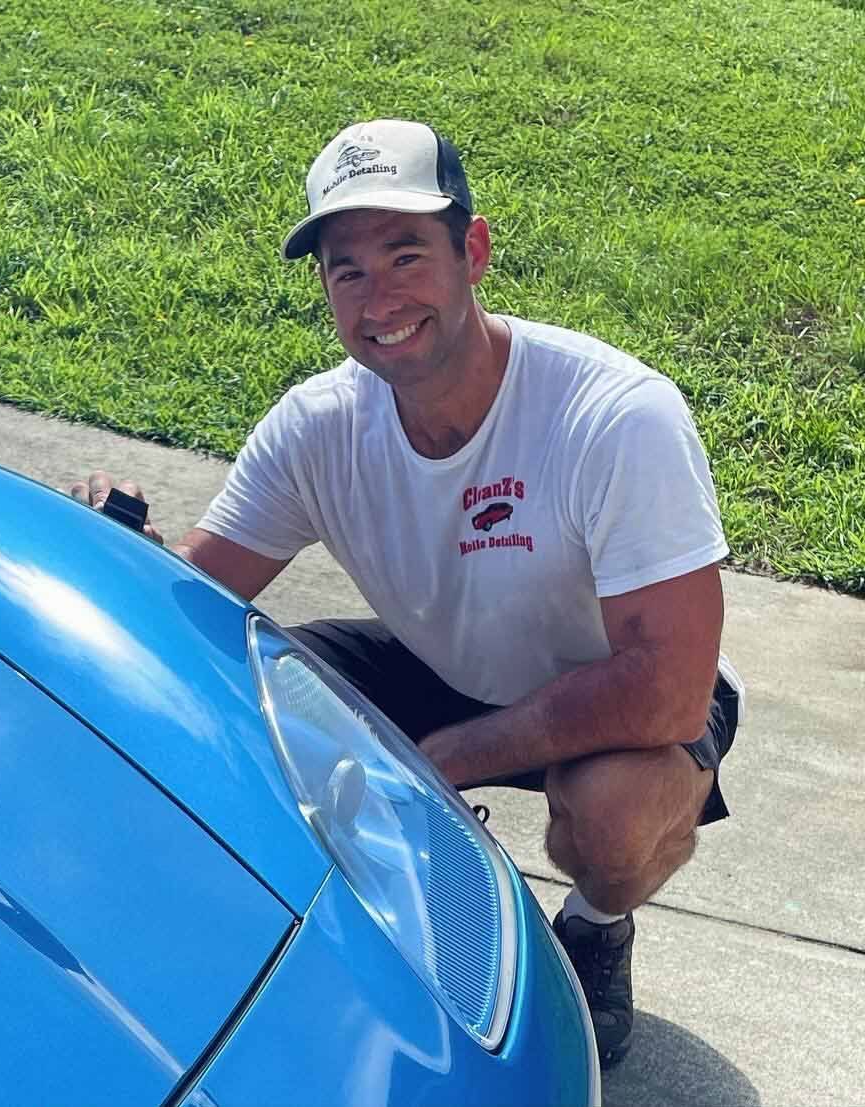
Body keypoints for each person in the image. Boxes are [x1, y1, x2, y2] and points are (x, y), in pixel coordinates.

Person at [67, 118, 742, 1069]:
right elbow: (191, 599)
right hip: (442, 659)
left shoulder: (614, 416)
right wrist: (108, 551)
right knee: (234, 700)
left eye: (405, 254)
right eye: (347, 269)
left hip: (617, 689)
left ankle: (595, 928)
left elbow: (671, 686)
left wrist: (434, 766)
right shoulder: (317, 427)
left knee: (615, 817)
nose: (379, 296)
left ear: (473, 251)